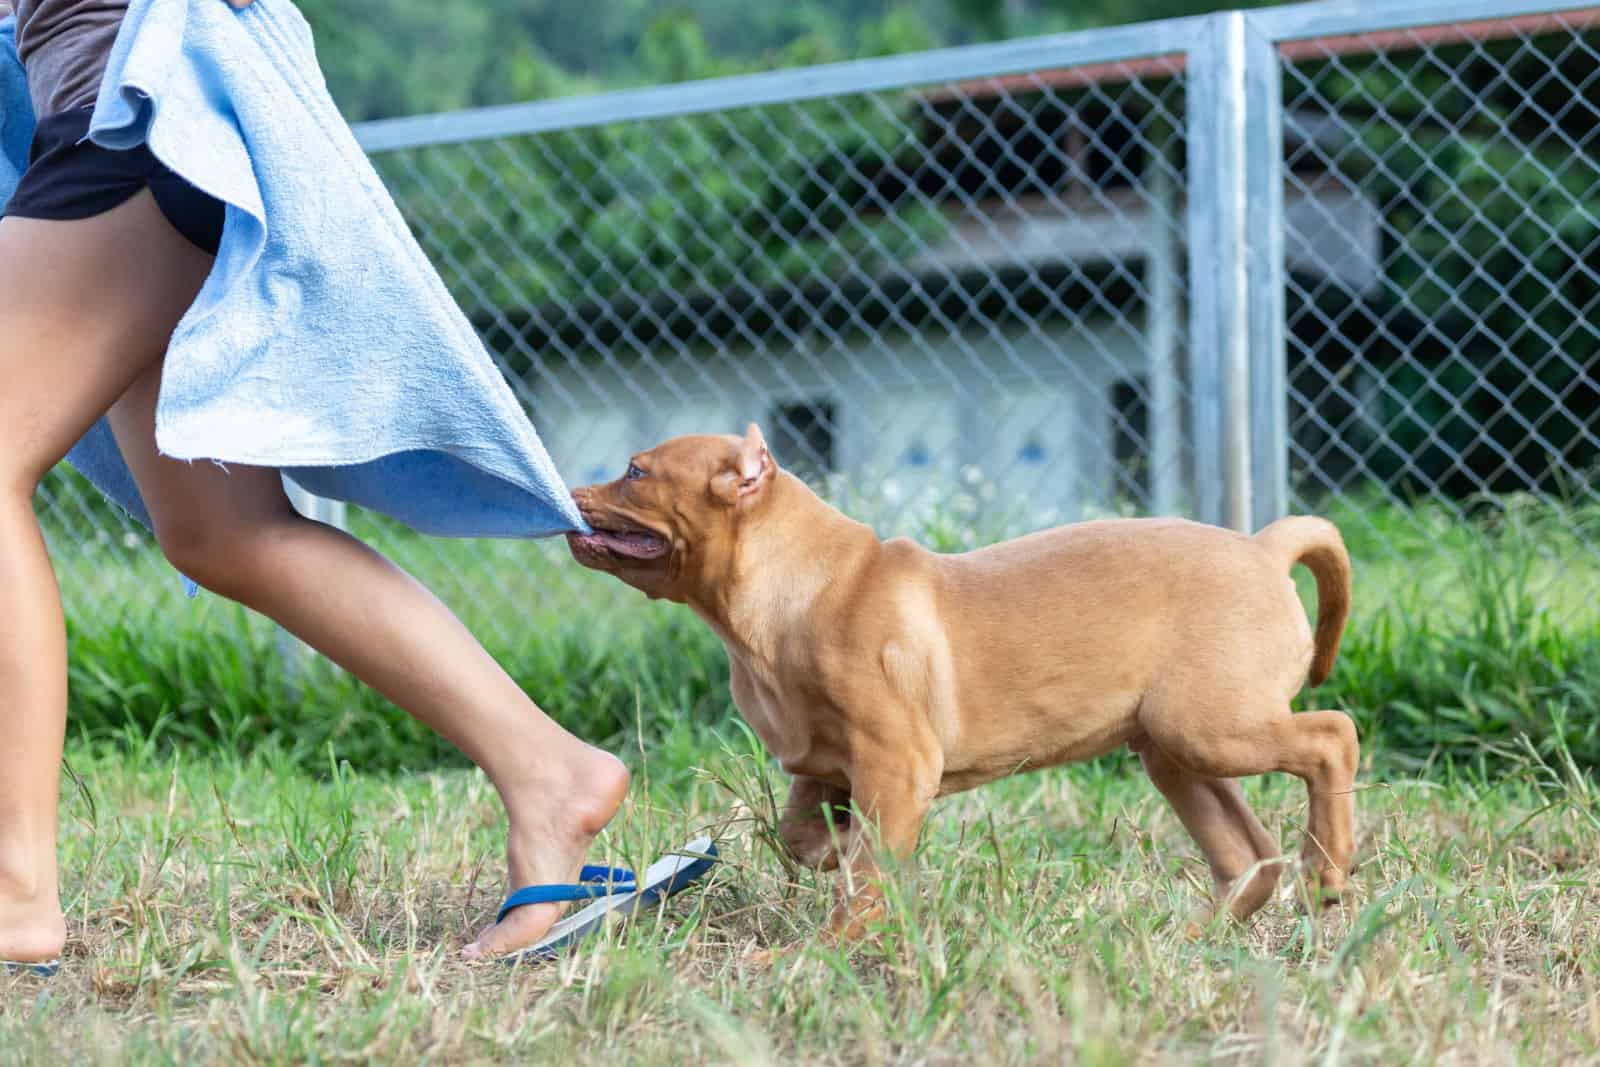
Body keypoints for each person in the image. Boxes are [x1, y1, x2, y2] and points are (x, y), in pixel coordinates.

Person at [0, 0, 628, 969]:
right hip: (113, 127)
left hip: (137, 120)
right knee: (221, 530)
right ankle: (550, 768)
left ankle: (14, 897)